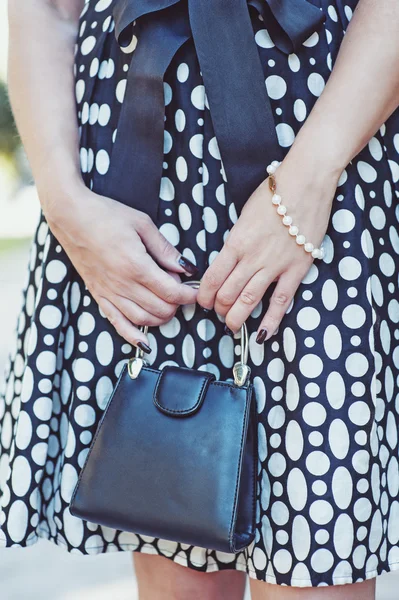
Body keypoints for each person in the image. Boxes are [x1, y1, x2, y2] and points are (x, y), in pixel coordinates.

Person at [1, 0, 399, 598]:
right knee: (171, 537)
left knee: (318, 551)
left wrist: (310, 180)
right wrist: (65, 204)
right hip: (133, 184)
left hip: (324, 140)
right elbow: (44, 9)